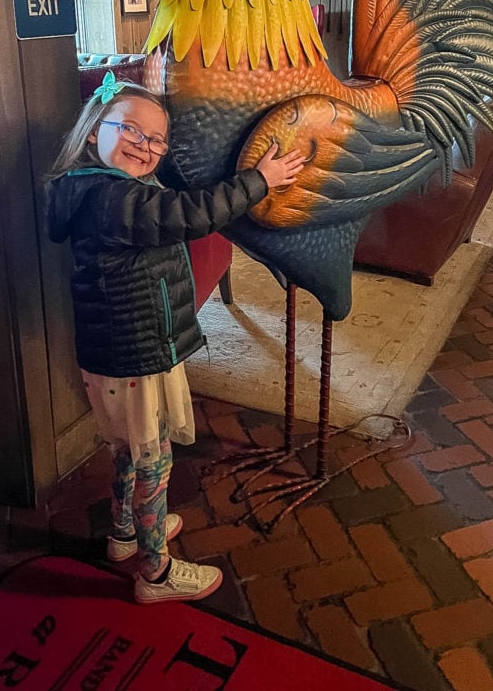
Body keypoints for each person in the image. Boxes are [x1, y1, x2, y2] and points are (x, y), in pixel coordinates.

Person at [45, 72, 305, 604]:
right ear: (95, 132)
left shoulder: (95, 188)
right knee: (153, 460)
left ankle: (123, 535)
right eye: (133, 132)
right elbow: (190, 215)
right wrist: (260, 180)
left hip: (117, 349)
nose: (147, 147)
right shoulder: (114, 200)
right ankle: (155, 572)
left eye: (158, 139)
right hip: (137, 351)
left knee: (128, 449)